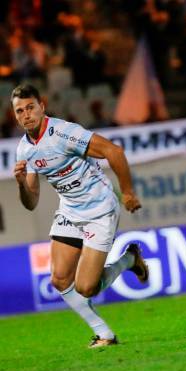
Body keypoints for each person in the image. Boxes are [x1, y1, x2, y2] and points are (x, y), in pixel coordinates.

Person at [12, 84, 149, 347]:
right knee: (60, 279)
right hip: (70, 210)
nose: (26, 114)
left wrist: (128, 193)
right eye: (19, 111)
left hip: (99, 209)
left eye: (30, 107)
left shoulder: (64, 133)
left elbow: (114, 152)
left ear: (42, 106)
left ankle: (129, 260)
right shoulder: (24, 150)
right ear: (14, 116)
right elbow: (31, 202)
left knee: (87, 287)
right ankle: (105, 334)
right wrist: (20, 183)